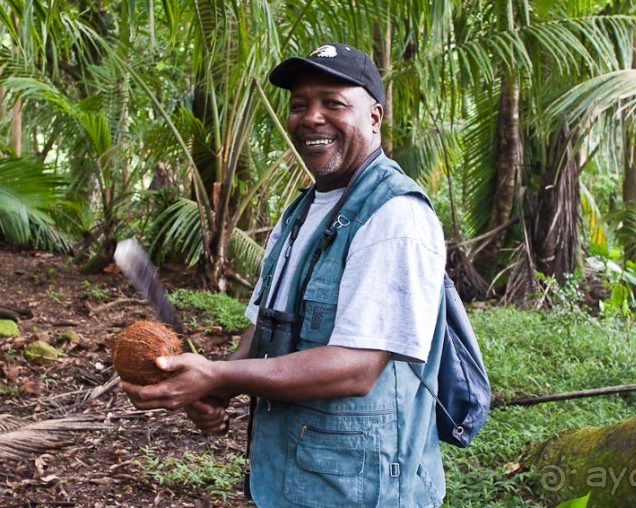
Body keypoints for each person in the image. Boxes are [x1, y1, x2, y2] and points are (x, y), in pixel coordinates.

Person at [122, 43, 448, 507]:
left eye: (332, 102)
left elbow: (355, 368)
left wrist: (216, 377)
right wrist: (216, 383)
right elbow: (264, 328)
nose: (311, 117)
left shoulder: (395, 215)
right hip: (293, 477)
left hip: (361, 488)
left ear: (374, 117)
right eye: (299, 105)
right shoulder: (300, 212)